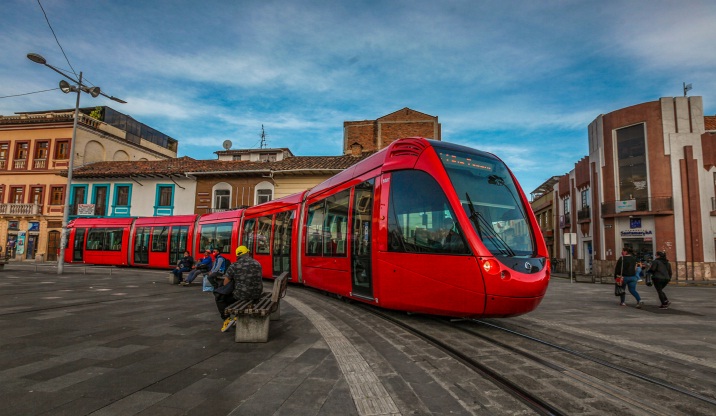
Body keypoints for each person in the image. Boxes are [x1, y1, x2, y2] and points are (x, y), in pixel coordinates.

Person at [217, 245, 264, 332]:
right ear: (247, 253)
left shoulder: (234, 265)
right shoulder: (257, 263)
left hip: (241, 296)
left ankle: (226, 319)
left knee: (220, 297)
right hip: (257, 295)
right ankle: (235, 317)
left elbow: (226, 282)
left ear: (237, 256)